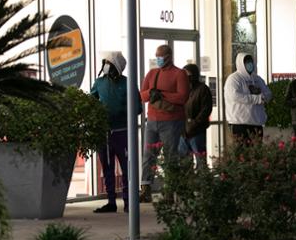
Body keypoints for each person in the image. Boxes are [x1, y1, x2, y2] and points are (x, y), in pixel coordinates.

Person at [90, 52, 141, 213]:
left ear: (116, 67)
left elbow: (138, 107)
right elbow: (90, 102)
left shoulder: (128, 83)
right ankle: (111, 202)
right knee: (107, 168)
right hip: (104, 133)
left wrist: (122, 111)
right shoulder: (99, 83)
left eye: (108, 63)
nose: (105, 65)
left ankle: (128, 201)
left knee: (127, 169)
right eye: (104, 62)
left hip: (122, 133)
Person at [140, 45, 190, 203]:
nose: (158, 59)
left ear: (169, 56)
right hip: (152, 121)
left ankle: (169, 192)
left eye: (161, 56)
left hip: (172, 121)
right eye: (156, 56)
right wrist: (150, 93)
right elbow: (142, 95)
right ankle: (145, 189)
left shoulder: (179, 74)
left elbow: (183, 97)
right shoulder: (152, 73)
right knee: (149, 156)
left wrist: (162, 94)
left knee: (170, 156)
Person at [224, 52, 272, 143]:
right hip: (239, 123)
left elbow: (268, 93)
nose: (250, 64)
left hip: (256, 123)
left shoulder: (257, 79)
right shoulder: (234, 79)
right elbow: (235, 96)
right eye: (247, 62)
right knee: (242, 152)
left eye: (251, 62)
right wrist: (257, 99)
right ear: (241, 63)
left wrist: (264, 97)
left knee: (256, 153)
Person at [179, 64, 213, 168]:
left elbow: (206, 110)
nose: (185, 78)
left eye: (188, 75)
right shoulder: (183, 90)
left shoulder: (203, 89)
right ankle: (187, 183)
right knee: (184, 162)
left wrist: (194, 124)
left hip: (197, 131)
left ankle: (201, 183)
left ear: (194, 75)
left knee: (200, 162)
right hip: (183, 132)